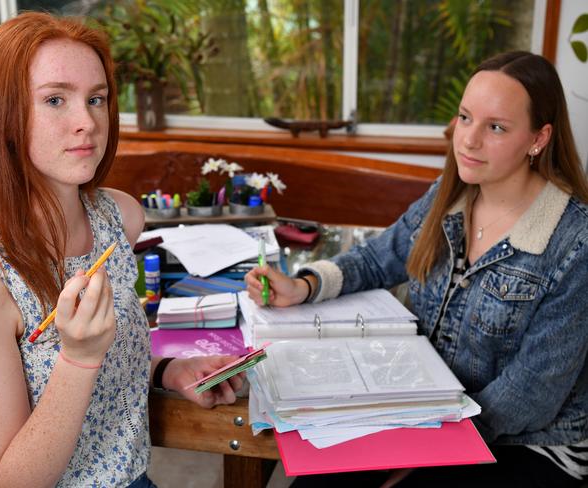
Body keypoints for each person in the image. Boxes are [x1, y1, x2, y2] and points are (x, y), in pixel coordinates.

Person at [246, 51, 588, 487]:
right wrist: (304, 286)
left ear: (538, 139)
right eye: (465, 118)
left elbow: (532, 394)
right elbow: (376, 259)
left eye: (496, 127)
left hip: (529, 441)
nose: (468, 140)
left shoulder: (575, 242)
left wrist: (432, 449)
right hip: (428, 407)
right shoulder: (448, 197)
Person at [0, 12, 243, 488]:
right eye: (56, 100)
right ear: (4, 118)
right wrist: (77, 357)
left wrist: (166, 370)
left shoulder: (118, 218)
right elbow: (8, 482)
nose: (87, 122)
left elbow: (110, 362)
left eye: (96, 99)